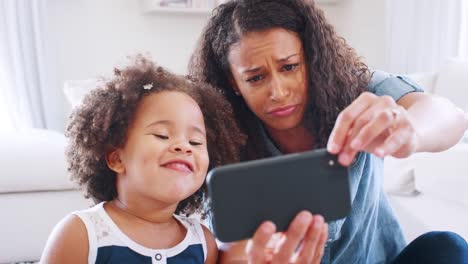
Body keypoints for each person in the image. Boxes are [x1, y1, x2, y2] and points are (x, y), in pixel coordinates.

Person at [189, 0, 468, 263]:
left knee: (447, 246)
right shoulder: (221, 138)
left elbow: (450, 116)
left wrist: (411, 130)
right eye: (256, 78)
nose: (278, 91)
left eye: (289, 67)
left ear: (310, 58)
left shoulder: (354, 89)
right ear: (234, 82)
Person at [40, 56, 245, 263]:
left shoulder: (202, 242)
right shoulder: (82, 234)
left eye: (195, 142)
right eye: (162, 135)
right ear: (116, 159)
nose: (184, 146)